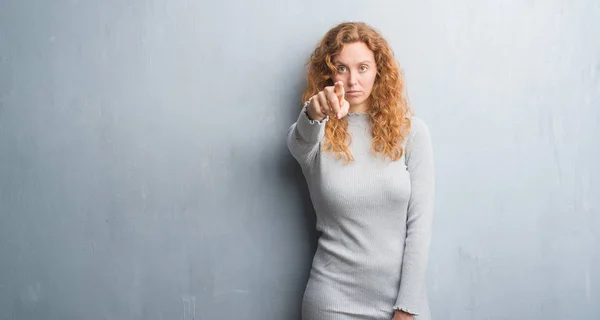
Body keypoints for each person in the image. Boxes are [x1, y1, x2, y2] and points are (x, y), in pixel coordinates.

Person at [286, 21, 435, 320]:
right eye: (342, 68)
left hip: (400, 302)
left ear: (379, 70)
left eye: (363, 68)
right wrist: (314, 111)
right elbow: (298, 139)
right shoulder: (315, 134)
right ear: (329, 72)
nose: (353, 80)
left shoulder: (412, 133)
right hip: (332, 302)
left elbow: (419, 227)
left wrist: (407, 306)